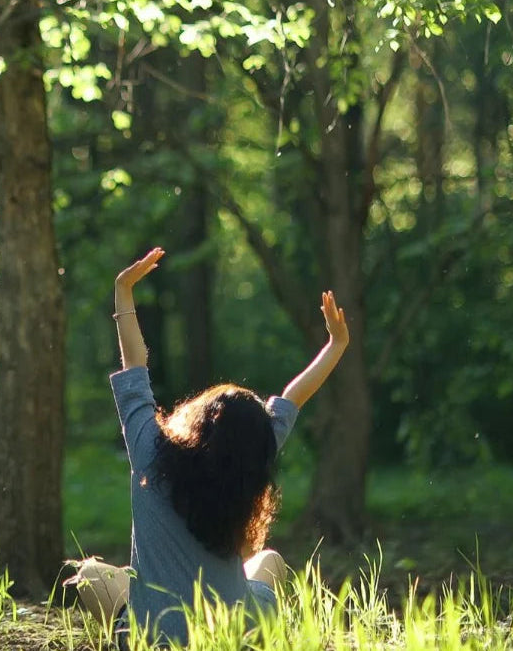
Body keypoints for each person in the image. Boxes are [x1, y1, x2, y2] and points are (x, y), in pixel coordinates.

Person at [67, 247, 349, 647]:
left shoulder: (150, 451)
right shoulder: (253, 457)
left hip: (154, 639)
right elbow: (293, 397)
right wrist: (336, 345)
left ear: (197, 418)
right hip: (235, 635)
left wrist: (123, 292)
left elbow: (135, 365)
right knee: (269, 561)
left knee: (91, 574)